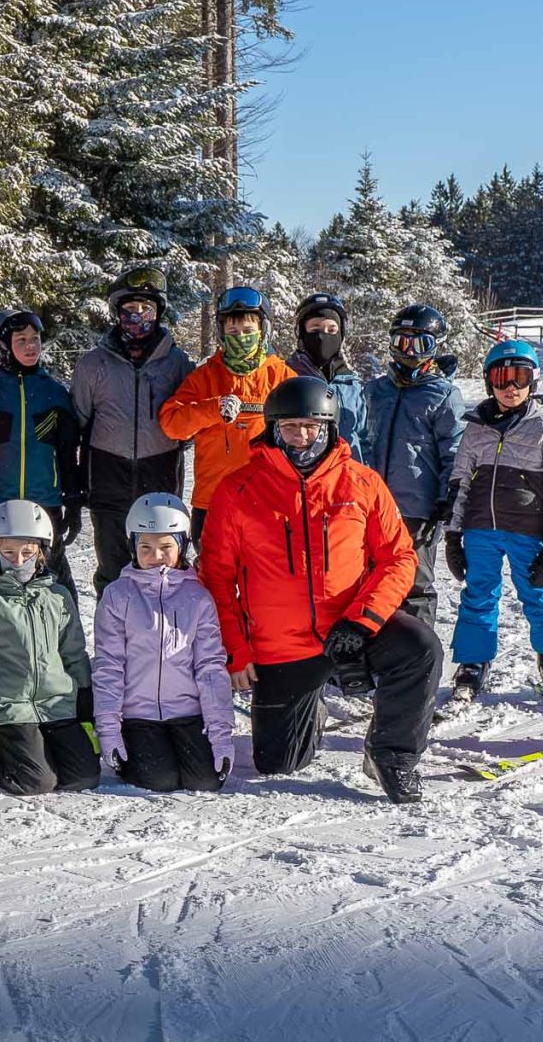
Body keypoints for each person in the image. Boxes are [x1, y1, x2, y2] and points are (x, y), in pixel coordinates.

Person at [200, 376, 441, 803]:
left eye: (313, 426)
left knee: (420, 647)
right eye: (290, 427)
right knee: (277, 764)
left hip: (350, 631)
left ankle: (392, 754)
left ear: (330, 428)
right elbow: (217, 577)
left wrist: (364, 621)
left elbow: (400, 557)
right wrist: (237, 651)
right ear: (273, 429)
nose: (301, 436)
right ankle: (312, 705)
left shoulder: (361, 483)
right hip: (281, 645)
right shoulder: (238, 489)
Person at [442, 338, 543, 707]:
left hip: (528, 530)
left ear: (533, 381)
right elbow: (460, 483)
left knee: (538, 594)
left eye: (520, 377)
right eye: (502, 378)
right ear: (489, 382)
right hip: (480, 528)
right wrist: (454, 536)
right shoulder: (476, 426)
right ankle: (473, 661)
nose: (511, 387)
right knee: (478, 594)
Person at [0, 501, 99, 796]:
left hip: (58, 705)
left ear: (42, 550)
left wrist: (85, 712)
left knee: (84, 776)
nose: (18, 560)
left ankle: (40, 749)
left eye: (27, 552)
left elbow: (74, 654)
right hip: (9, 709)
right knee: (34, 782)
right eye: (9, 552)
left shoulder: (57, 596)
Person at [91, 492, 236, 793]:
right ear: (132, 546)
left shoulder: (197, 598)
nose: (155, 556)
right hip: (138, 715)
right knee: (160, 780)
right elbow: (109, 665)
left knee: (206, 779)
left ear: (181, 547)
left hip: (186, 712)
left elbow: (210, 668)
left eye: (165, 547)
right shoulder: (119, 596)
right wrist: (109, 732)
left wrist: (221, 736)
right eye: (146, 546)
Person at [70, 265, 195, 589]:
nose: (138, 316)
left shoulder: (177, 363)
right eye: (130, 309)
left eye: (146, 308)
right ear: (116, 312)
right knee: (114, 572)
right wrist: (73, 485)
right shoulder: (93, 364)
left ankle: (163, 638)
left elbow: (190, 422)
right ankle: (112, 638)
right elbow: (76, 424)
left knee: (163, 569)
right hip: (108, 479)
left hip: (161, 476)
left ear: (159, 312)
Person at [159, 284, 294, 538]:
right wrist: (211, 409)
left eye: (247, 330)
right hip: (213, 502)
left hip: (267, 500)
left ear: (263, 331)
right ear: (221, 332)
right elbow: (171, 424)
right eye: (233, 330)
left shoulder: (282, 376)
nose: (240, 336)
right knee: (212, 575)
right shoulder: (205, 377)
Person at [363, 303, 467, 627]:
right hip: (371, 506)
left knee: (414, 583)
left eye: (419, 343)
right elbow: (362, 440)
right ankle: (376, 653)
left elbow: (455, 451)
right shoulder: (376, 390)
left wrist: (446, 499)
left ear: (434, 348)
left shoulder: (442, 394)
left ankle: (419, 663)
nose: (408, 351)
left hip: (415, 509)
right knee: (369, 579)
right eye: (401, 342)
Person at [0, 309, 84, 590]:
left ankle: (64, 633)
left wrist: (74, 501)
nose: (31, 346)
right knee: (3, 579)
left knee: (55, 581)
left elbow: (68, 453)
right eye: (21, 340)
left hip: (46, 503)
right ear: (1, 347)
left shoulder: (55, 393)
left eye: (35, 339)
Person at [285, 291, 369, 452]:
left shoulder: (351, 384)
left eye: (332, 330)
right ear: (301, 333)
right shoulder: (286, 377)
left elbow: (363, 438)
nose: (323, 337)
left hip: (347, 473)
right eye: (315, 329)